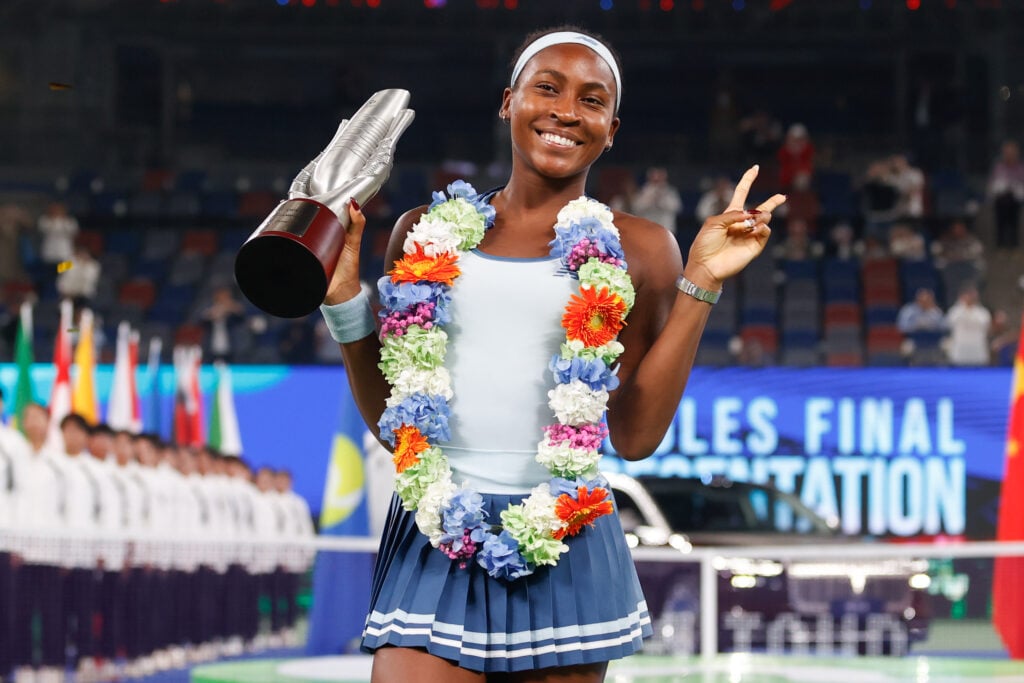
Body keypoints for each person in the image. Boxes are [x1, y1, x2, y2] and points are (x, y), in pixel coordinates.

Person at [316, 27, 783, 682]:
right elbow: (399, 426)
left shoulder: (644, 248)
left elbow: (636, 436)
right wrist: (345, 303)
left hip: (564, 541)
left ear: (610, 129)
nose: (567, 111)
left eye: (591, 100)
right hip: (434, 532)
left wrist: (701, 281)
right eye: (547, 88)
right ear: (509, 102)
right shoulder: (422, 232)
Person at [987, 140, 1024, 248]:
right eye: (1007, 152)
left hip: (1015, 201)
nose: (1009, 155)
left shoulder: (1021, 168)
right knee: (1000, 225)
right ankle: (1000, 246)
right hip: (1001, 201)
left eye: (1012, 152)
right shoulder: (998, 167)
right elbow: (992, 183)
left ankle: (1014, 246)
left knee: (1014, 225)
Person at [945, 284, 992, 366]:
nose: (970, 298)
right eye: (968, 295)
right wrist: (964, 307)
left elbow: (985, 325)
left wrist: (970, 311)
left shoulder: (983, 313)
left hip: (977, 351)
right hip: (960, 352)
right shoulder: (954, 311)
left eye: (972, 296)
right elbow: (949, 323)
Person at [630, 167, 683, 236]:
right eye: (654, 178)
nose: (657, 180)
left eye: (660, 177)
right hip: (647, 229)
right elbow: (636, 208)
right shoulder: (643, 191)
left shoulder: (671, 191)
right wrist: (649, 198)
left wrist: (662, 199)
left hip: (666, 229)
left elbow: (678, 208)